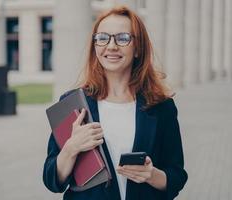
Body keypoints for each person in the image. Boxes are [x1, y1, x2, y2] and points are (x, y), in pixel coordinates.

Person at [43, 6, 187, 200]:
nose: (111, 46)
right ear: (95, 47)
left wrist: (152, 175)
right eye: (103, 38)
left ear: (138, 49)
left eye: (123, 38)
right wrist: (71, 147)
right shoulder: (72, 103)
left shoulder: (161, 107)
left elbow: (176, 176)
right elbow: (51, 180)